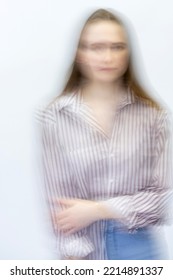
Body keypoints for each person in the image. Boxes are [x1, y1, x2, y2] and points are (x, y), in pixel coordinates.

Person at [36, 8, 173, 260]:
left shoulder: (154, 117)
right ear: (80, 54)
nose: (107, 57)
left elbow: (162, 201)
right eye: (96, 47)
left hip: (140, 249)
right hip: (85, 251)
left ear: (128, 54)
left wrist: (99, 209)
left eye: (117, 47)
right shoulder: (55, 116)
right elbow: (60, 205)